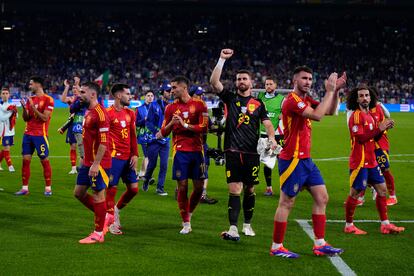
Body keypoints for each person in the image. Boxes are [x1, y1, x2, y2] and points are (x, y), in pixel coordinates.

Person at [269, 66, 346, 258]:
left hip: (306, 159)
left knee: (322, 198)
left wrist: (335, 92)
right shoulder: (292, 101)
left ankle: (320, 243)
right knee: (287, 203)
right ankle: (276, 246)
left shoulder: (306, 100)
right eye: (304, 78)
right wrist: (329, 91)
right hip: (292, 159)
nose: (308, 82)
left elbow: (331, 111)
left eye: (311, 79)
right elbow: (317, 115)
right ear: (295, 80)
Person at [210, 49, 278, 241]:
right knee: (234, 189)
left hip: (251, 153)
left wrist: (272, 138)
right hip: (232, 151)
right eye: (239, 79)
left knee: (250, 189)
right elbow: (214, 83)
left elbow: (267, 123)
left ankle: (247, 224)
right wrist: (222, 60)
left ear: (251, 82)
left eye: (244, 79)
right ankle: (232, 228)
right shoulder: (230, 98)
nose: (241, 82)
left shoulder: (258, 104)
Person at [344, 85, 404, 235]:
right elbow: (361, 138)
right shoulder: (356, 116)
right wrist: (379, 128)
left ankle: (385, 224)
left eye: (367, 95)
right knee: (355, 193)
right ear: (357, 99)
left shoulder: (370, 115)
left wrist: (384, 127)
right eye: (361, 96)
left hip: (372, 160)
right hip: (360, 161)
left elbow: (375, 137)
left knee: (382, 190)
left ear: (371, 98)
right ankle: (349, 225)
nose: (365, 98)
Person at [157, 76, 208, 234]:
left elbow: (204, 127)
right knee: (183, 186)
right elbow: (163, 133)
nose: (171, 91)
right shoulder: (170, 108)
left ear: (184, 88)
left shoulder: (200, 105)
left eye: (174, 88)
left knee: (199, 188)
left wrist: (185, 124)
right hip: (179, 151)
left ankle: (189, 213)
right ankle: (186, 222)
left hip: (197, 151)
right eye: (171, 88)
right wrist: (172, 123)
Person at [73, 81, 112, 244]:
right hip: (87, 161)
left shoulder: (100, 114)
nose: (79, 95)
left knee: (98, 194)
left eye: (82, 92)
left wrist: (96, 164)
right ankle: (106, 216)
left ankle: (98, 233)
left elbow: (104, 142)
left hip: (99, 163)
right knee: (78, 193)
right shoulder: (87, 111)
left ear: (92, 94)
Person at [105, 83, 139, 235]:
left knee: (134, 189)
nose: (130, 96)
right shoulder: (108, 114)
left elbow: (133, 135)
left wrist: (135, 154)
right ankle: (111, 223)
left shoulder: (130, 113)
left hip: (128, 158)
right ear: (118, 96)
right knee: (111, 190)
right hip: (113, 158)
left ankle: (116, 210)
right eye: (127, 93)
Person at [15, 76, 54, 196]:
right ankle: (25, 188)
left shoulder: (48, 100)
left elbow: (44, 118)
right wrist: (24, 108)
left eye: (31, 84)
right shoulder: (30, 99)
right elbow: (26, 118)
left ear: (38, 85)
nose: (29, 86)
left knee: (44, 161)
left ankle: (48, 188)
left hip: (40, 135)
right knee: (25, 161)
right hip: (27, 134)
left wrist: (32, 107)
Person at [257, 76, 285, 196]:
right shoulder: (259, 97)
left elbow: (287, 112)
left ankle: (284, 187)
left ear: (275, 86)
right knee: (268, 162)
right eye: (266, 84)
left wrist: (283, 115)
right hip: (263, 134)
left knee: (282, 162)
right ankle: (269, 188)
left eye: (270, 84)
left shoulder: (281, 99)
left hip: (278, 135)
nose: (268, 86)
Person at [190, 85, 218, 204]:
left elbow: (210, 127)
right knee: (187, 168)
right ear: (192, 95)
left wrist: (220, 128)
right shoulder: (187, 109)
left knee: (204, 169)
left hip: (203, 145)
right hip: (190, 145)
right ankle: (180, 191)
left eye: (202, 94)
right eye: (198, 94)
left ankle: (202, 194)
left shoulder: (204, 109)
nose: (202, 96)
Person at [143, 82, 172, 195]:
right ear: (161, 92)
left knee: (164, 165)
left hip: (165, 141)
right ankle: (146, 180)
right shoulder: (153, 105)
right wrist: (158, 132)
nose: (170, 93)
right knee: (152, 164)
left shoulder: (171, 106)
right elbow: (148, 122)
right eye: (167, 91)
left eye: (170, 91)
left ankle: (160, 188)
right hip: (154, 140)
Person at [370, 100, 398, 205]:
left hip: (380, 146)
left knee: (385, 170)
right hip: (370, 145)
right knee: (366, 169)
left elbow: (384, 124)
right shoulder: (363, 111)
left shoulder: (378, 109)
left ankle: (392, 196)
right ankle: (371, 189)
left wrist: (387, 125)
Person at [61, 77, 84, 174]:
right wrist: (66, 87)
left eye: (76, 88)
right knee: (73, 146)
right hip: (71, 124)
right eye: (73, 89)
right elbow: (62, 100)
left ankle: (82, 165)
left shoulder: (83, 99)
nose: (74, 90)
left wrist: (77, 84)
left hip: (81, 124)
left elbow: (83, 93)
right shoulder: (71, 99)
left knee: (82, 146)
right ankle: (74, 168)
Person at [136, 90, 154, 180]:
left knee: (148, 155)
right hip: (143, 136)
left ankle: (141, 174)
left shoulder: (156, 108)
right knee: (148, 155)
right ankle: (148, 176)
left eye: (151, 95)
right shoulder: (139, 109)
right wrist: (144, 119)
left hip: (153, 136)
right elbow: (137, 123)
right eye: (148, 95)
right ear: (145, 97)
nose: (150, 97)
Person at [0, 87, 17, 172]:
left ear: (9, 95)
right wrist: (11, 112)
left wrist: (15, 112)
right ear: (0, 95)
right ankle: (10, 166)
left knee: (5, 149)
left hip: (11, 131)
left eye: (6, 93)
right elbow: (2, 118)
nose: (5, 95)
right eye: (3, 93)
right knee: (6, 149)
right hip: (3, 132)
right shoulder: (0, 106)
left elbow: (16, 117)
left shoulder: (11, 106)